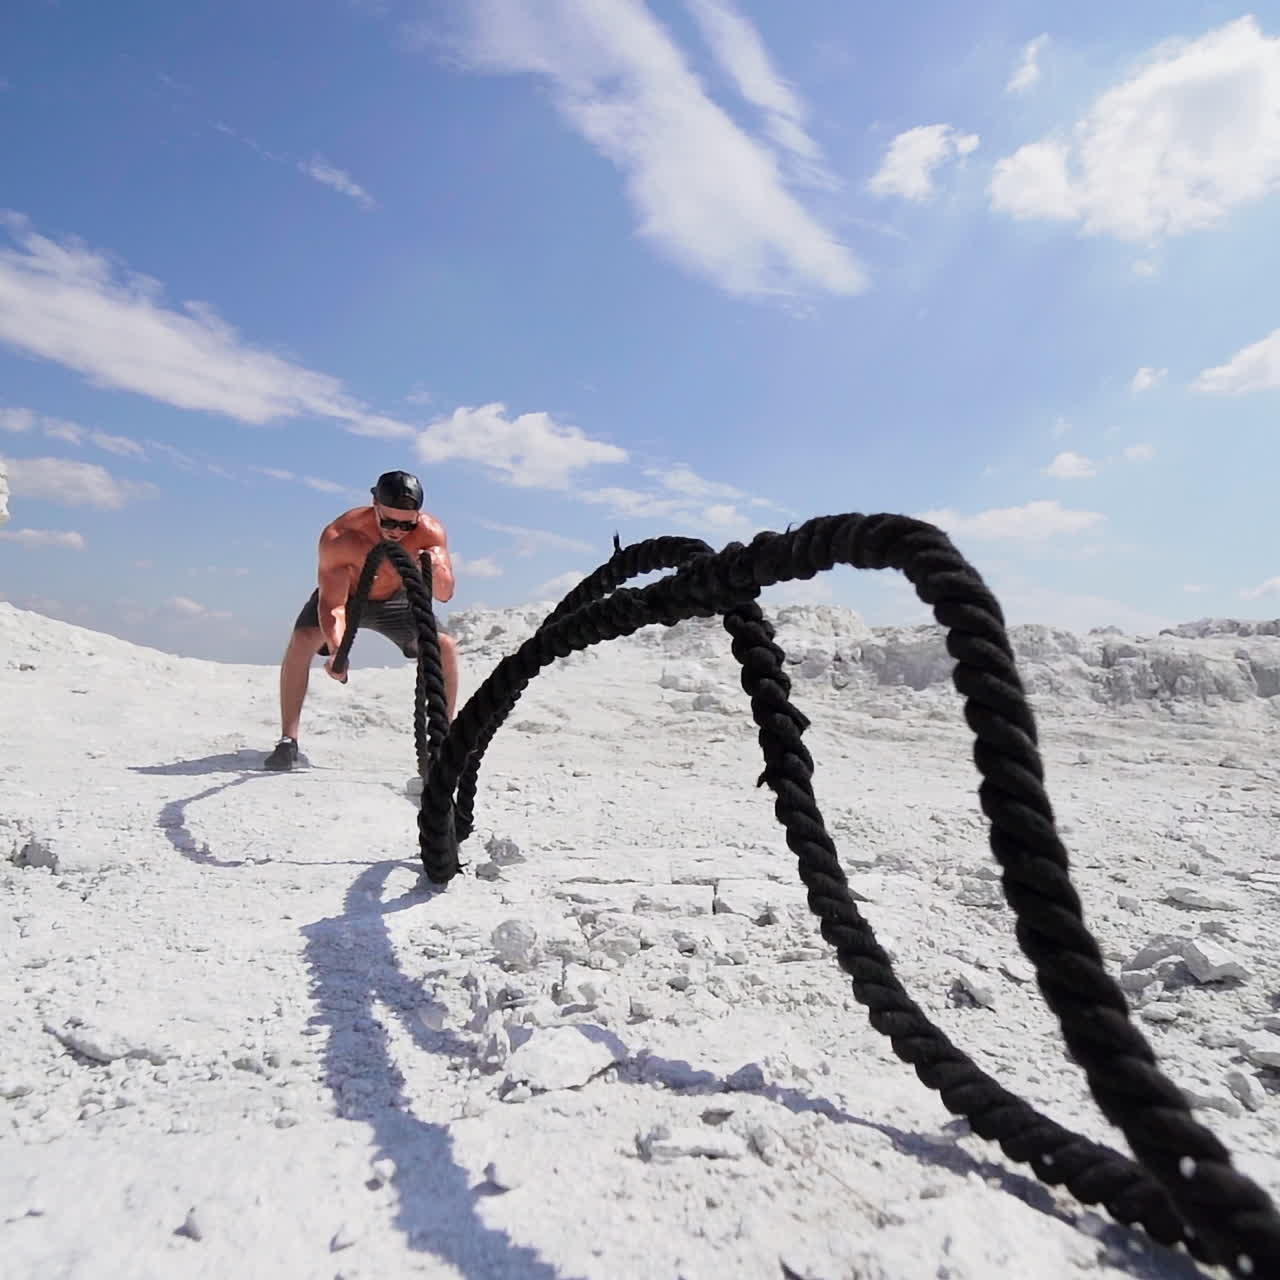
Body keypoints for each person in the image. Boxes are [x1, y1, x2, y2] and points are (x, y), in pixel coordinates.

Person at [263, 469, 458, 771]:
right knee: (302, 641)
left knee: (444, 645)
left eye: (407, 524)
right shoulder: (341, 537)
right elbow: (333, 606)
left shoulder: (429, 532)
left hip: (397, 599)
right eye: (389, 521)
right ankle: (289, 739)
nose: (397, 531)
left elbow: (445, 594)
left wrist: (433, 566)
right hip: (349, 598)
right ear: (374, 506)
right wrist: (338, 652)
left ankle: (444, 743)